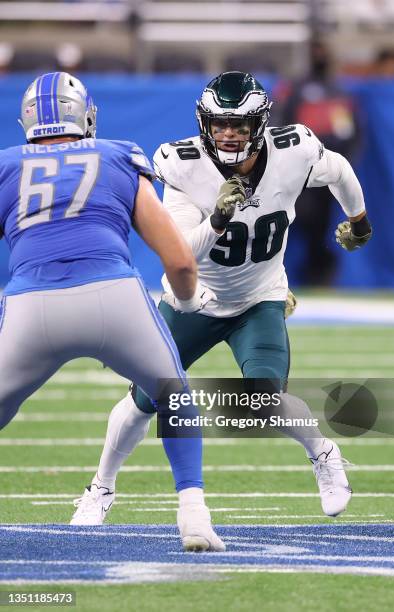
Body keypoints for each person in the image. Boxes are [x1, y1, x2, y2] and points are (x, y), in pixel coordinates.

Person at [73, 71, 372, 533]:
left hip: (258, 296)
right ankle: (100, 488)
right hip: (195, 299)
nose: (228, 134)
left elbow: (340, 171)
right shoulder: (183, 163)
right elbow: (179, 250)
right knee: (145, 398)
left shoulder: (293, 150)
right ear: (204, 123)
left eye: (238, 125)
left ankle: (324, 454)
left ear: (260, 124)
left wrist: (359, 219)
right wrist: (217, 218)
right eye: (219, 124)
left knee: (264, 399)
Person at [0, 71, 224, 552]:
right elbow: (180, 259)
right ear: (85, 116)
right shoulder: (116, 154)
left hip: (30, 305)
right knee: (173, 394)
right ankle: (194, 514)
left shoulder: (7, 165)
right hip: (113, 296)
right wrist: (185, 302)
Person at [273, 39, 361, 285]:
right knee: (289, 221)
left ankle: (319, 275)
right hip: (299, 171)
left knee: (321, 227)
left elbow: (350, 132)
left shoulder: (338, 92)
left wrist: (343, 166)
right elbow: (279, 124)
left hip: (327, 172)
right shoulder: (295, 89)